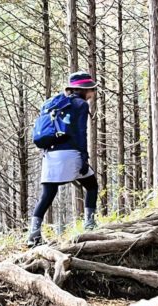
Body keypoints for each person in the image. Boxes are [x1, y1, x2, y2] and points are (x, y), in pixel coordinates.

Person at [26, 72, 99, 246]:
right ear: (84, 90)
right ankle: (90, 224)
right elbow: (81, 133)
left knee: (47, 195)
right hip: (70, 153)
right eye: (92, 89)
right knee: (92, 186)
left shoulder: (54, 103)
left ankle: (33, 235)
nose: (93, 93)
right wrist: (84, 157)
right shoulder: (81, 105)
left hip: (50, 154)